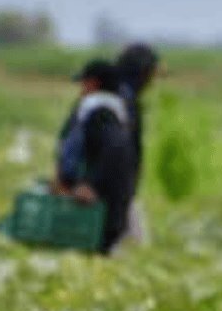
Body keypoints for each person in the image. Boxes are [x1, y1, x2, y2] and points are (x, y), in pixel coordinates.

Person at [54, 59, 136, 255]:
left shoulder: (100, 114)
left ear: (94, 83)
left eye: (84, 83)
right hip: (107, 204)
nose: (81, 89)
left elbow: (114, 147)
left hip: (103, 207)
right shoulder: (113, 112)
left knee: (99, 254)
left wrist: (90, 184)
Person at [113, 43, 160, 244]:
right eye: (152, 73)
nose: (153, 81)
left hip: (119, 190)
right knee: (132, 244)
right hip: (113, 191)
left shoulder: (122, 96)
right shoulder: (121, 102)